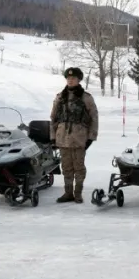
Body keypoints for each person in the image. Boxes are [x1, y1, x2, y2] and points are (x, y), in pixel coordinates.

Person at [50, 66, 98, 203]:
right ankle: (68, 193)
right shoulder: (60, 97)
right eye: (68, 78)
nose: (70, 81)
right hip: (62, 139)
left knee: (79, 167)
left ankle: (78, 194)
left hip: (79, 139)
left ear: (79, 80)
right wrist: (53, 137)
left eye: (73, 78)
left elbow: (94, 118)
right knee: (66, 168)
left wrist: (91, 138)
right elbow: (53, 118)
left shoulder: (86, 98)